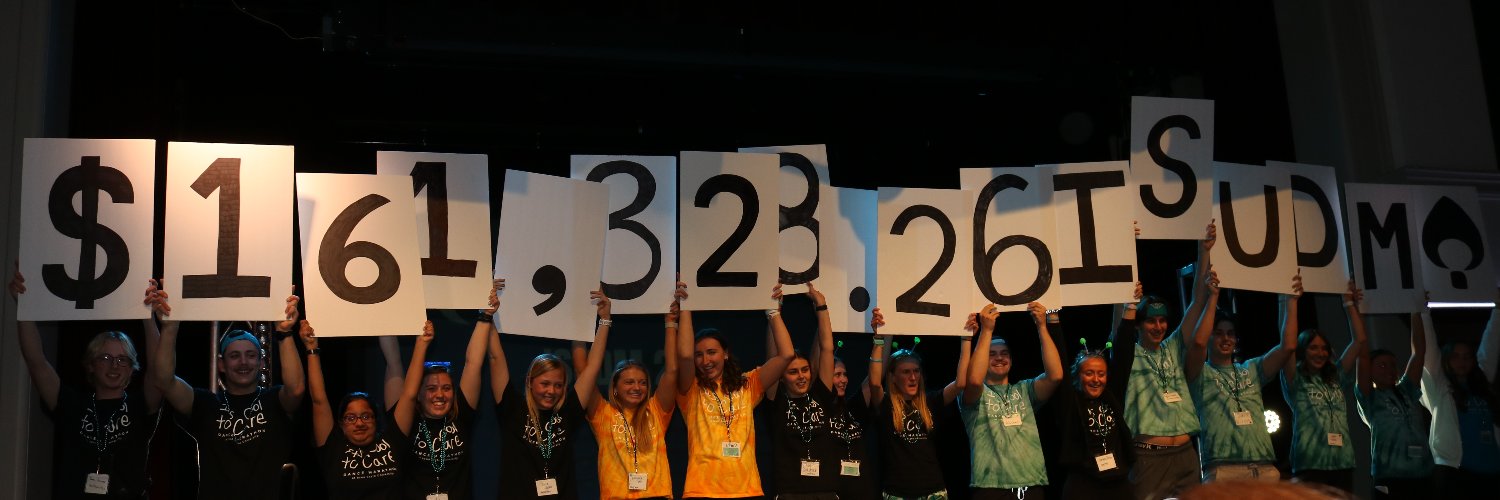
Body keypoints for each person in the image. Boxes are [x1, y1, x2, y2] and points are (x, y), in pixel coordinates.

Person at [11, 271, 163, 499]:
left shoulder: (140, 406)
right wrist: (23, 308)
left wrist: (147, 315)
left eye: (123, 359)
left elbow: (159, 371)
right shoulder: (73, 405)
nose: (114, 365)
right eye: (105, 358)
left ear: (132, 368)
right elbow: (36, 363)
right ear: (91, 365)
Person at [149, 285, 306, 500]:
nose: (243, 362)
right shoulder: (206, 403)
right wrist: (169, 328)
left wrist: (285, 332)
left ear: (261, 363)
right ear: (221, 365)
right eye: (234, 356)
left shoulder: (274, 400)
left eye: (251, 355)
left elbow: (296, 389)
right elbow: (164, 381)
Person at [1113, 222, 1217, 500]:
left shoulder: (1173, 346)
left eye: (1162, 320)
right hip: (1149, 457)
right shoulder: (1128, 354)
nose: (1158, 326)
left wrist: (1203, 251)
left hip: (1186, 453)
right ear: (1138, 324)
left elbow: (1197, 301)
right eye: (1151, 321)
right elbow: (1118, 320)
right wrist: (1125, 248)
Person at [675, 283, 796, 499]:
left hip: (747, 490)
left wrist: (773, 312)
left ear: (725, 354)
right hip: (703, 491)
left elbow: (786, 355)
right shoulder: (690, 389)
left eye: (711, 352)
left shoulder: (747, 384)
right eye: (699, 355)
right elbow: (684, 355)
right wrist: (685, 307)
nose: (705, 360)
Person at [487, 285, 606, 500]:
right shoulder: (512, 408)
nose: (551, 391)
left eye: (558, 385)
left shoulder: (567, 412)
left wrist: (605, 321)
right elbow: (495, 358)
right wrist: (487, 315)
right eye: (545, 384)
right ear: (530, 382)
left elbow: (593, 368)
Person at [575, 283, 683, 499]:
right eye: (629, 382)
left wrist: (671, 323)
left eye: (642, 383)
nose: (637, 387)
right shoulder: (603, 414)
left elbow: (672, 371)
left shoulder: (656, 411)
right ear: (614, 387)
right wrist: (587, 325)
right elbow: (582, 370)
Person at [1189, 272, 1298, 482]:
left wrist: (1290, 300)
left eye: (1230, 333)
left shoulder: (1252, 368)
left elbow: (1288, 347)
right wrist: (1213, 297)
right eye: (1218, 333)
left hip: (1264, 468)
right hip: (1223, 470)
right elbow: (1198, 343)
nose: (1226, 338)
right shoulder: (1200, 373)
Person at [392, 281, 496, 500]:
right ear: (420, 394)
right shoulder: (407, 422)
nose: (440, 395)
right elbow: (408, 394)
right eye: (431, 388)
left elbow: (473, 364)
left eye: (447, 388)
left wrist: (486, 316)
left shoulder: (461, 416)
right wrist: (422, 344)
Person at [961, 302, 1064, 500]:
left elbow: (1056, 376)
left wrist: (1042, 326)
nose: (999, 358)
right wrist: (986, 331)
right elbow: (974, 380)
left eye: (1004, 353)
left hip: (1031, 485)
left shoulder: (1024, 389)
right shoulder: (975, 394)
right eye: (992, 354)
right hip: (990, 488)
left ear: (1011, 359)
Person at [868, 307, 969, 500]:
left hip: (933, 492)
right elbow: (873, 382)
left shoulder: (930, 401)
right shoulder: (886, 404)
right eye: (906, 372)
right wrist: (879, 338)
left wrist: (966, 338)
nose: (913, 377)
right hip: (897, 494)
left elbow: (960, 383)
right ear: (893, 377)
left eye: (916, 371)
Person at [300, 320, 406, 499]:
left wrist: (386, 317)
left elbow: (395, 367)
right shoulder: (333, 448)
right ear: (341, 424)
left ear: (376, 420)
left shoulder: (391, 441)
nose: (359, 423)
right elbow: (319, 400)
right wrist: (311, 349)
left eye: (366, 416)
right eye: (351, 418)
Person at [1280, 280, 1365, 492]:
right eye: (1313, 348)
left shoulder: (1336, 375)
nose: (1320, 353)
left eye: (1324, 348)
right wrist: (1291, 301)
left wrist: (1348, 304)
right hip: (1310, 464)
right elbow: (1287, 345)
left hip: (1342, 462)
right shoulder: (1296, 377)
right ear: (1303, 350)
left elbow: (1359, 341)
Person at [761, 283, 839, 499]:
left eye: (805, 370)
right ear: (782, 377)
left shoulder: (821, 394)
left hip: (825, 491)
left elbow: (827, 348)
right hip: (790, 492)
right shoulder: (775, 400)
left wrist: (821, 306)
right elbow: (773, 358)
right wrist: (774, 311)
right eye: (793, 372)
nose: (801, 376)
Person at [1420, 289, 1500, 497]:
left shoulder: (1481, 384)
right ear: (1446, 359)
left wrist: (1498, 309)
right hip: (1456, 472)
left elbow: (1490, 346)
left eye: (1466, 356)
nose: (1462, 361)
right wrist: (1423, 312)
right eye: (1455, 356)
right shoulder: (1440, 388)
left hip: (1492, 470)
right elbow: (1429, 353)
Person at [1048, 308, 1134, 500]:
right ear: (1078, 376)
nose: (1096, 379)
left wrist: (1130, 307)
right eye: (1089, 373)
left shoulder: (1112, 397)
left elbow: (1124, 356)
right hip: (1083, 485)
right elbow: (1059, 360)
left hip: (1117, 480)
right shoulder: (1070, 402)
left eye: (1101, 374)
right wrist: (1052, 315)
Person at [1356, 307, 1433, 500]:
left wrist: (1415, 309)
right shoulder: (1369, 397)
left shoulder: (1407, 390)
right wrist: (1356, 311)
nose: (1389, 369)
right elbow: (1362, 357)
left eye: (1392, 364)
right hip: (1390, 476)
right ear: (1370, 371)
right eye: (1382, 365)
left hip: (1422, 474)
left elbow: (1419, 352)